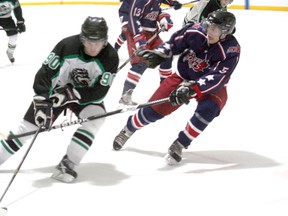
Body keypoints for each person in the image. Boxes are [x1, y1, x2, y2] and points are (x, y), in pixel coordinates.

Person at [113, 10, 240, 165]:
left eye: (215, 29)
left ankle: (180, 143)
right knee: (152, 111)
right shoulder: (195, 30)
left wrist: (192, 88)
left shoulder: (231, 49)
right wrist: (159, 54)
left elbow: (218, 76)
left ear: (225, 33)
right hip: (183, 76)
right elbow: (174, 44)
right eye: (209, 26)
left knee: (209, 108)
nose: (209, 31)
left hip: (210, 86)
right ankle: (129, 128)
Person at [0, 16, 119, 183]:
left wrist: (72, 94)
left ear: (105, 41)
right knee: (28, 128)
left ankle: (68, 163)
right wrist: (42, 100)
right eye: (89, 42)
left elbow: (100, 91)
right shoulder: (67, 46)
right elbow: (45, 73)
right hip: (55, 94)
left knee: (97, 117)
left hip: (84, 96)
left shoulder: (110, 57)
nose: (93, 47)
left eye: (98, 43)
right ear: (82, 38)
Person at [116, 0, 178, 106]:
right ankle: (125, 95)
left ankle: (165, 89)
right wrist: (139, 40)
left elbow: (156, 10)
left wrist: (164, 17)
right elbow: (133, 18)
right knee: (140, 63)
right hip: (136, 33)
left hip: (152, 33)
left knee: (166, 54)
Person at [114, 0, 182, 52]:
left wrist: (172, 2)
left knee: (137, 29)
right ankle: (116, 46)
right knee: (128, 30)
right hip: (127, 11)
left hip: (139, 11)